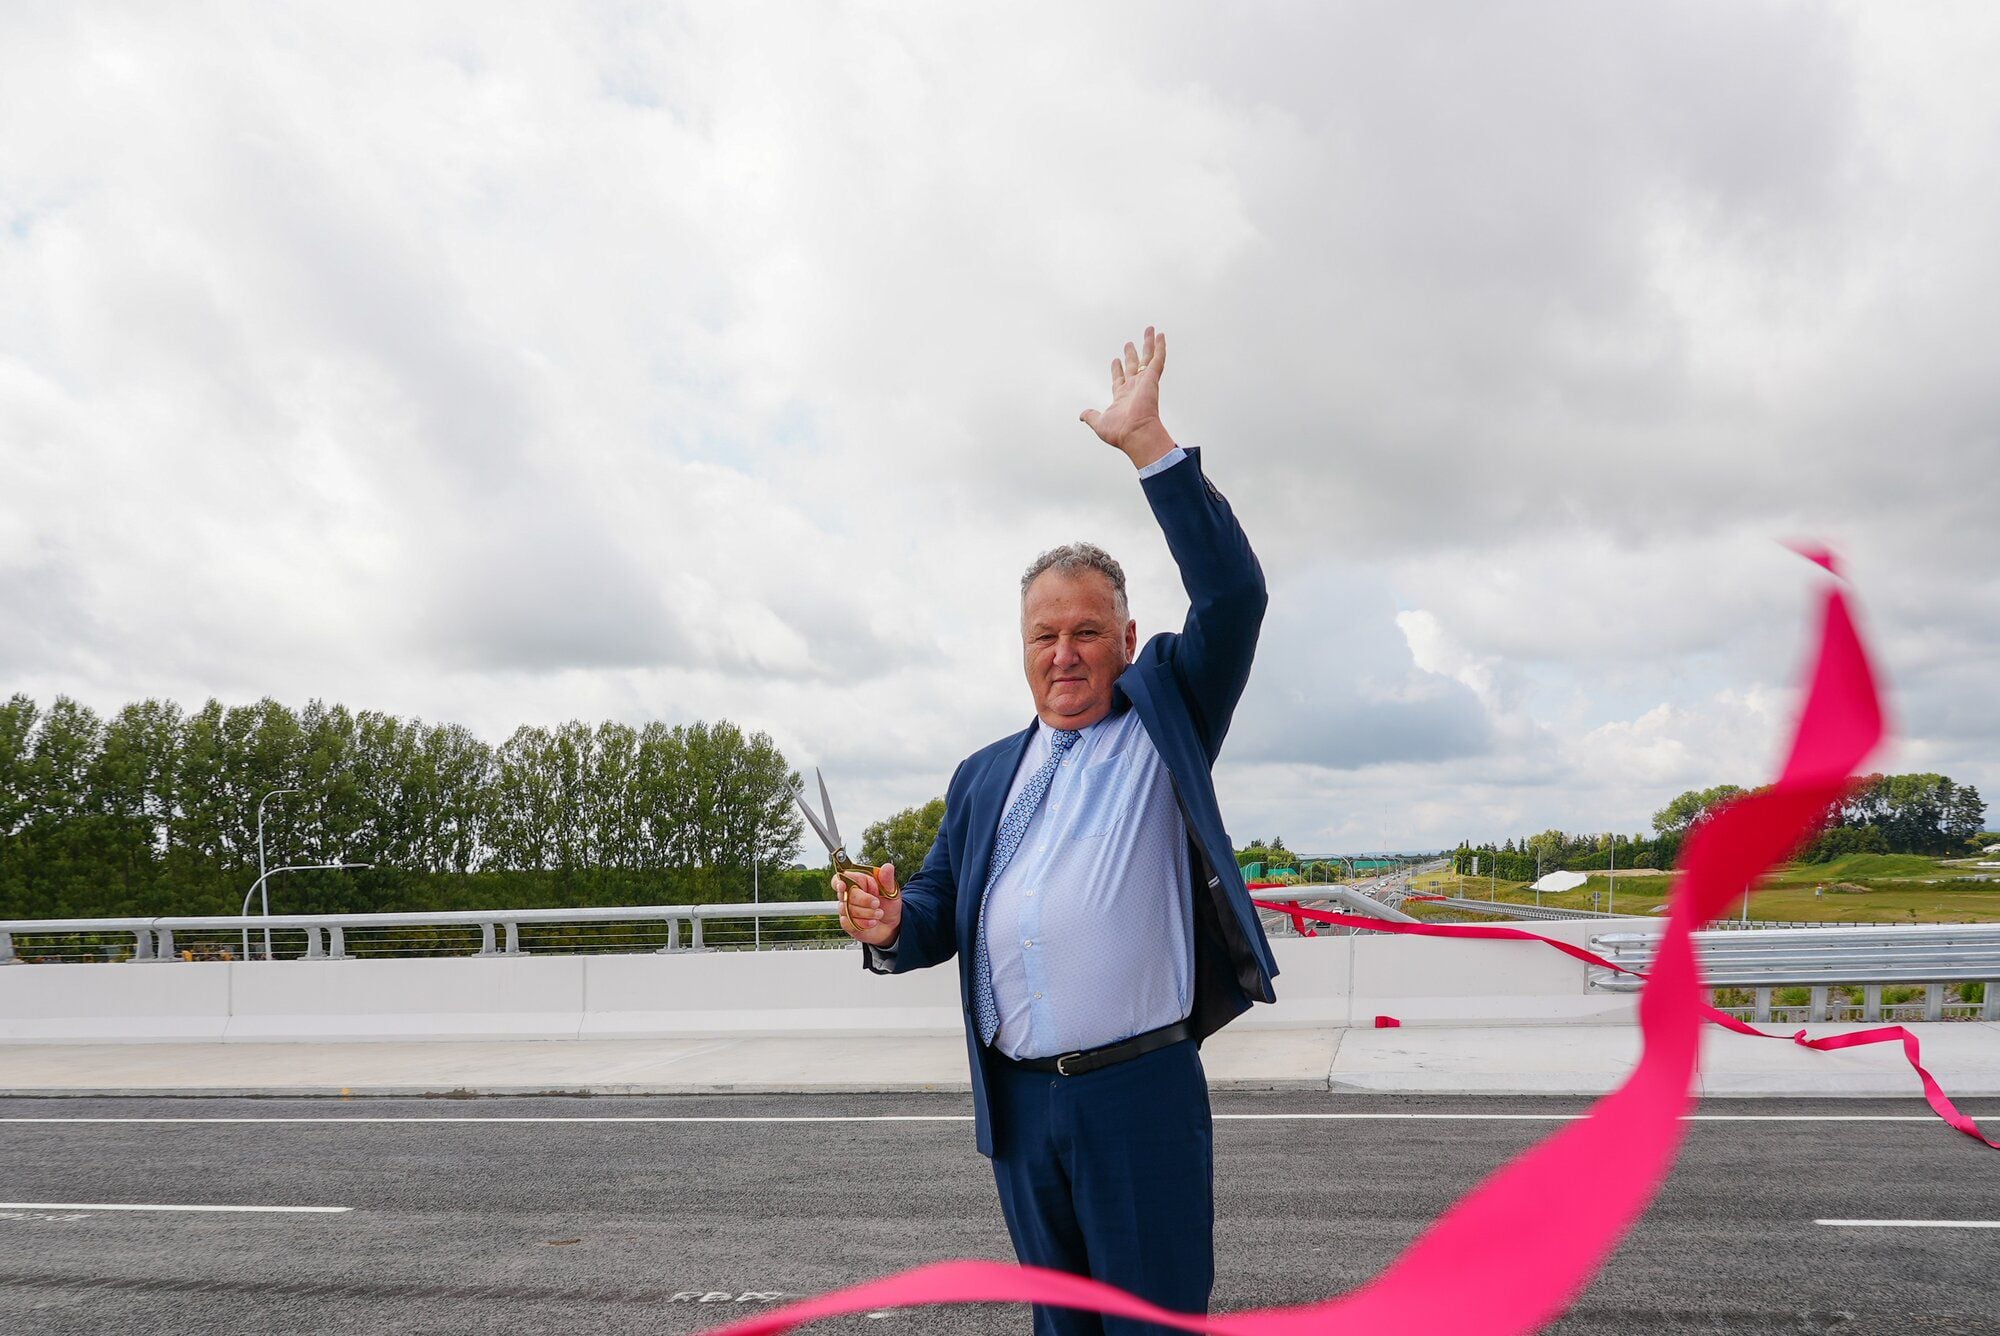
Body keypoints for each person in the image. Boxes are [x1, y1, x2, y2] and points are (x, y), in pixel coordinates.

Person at [835, 325, 1278, 1335]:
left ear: (1127, 639)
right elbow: (937, 910)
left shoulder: (1168, 712)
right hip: (1022, 1109)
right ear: (1020, 648)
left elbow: (1235, 595)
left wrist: (1150, 449)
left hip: (1139, 1097)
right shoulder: (984, 774)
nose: (1065, 654)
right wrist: (888, 922)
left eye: (1087, 632)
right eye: (1045, 635)